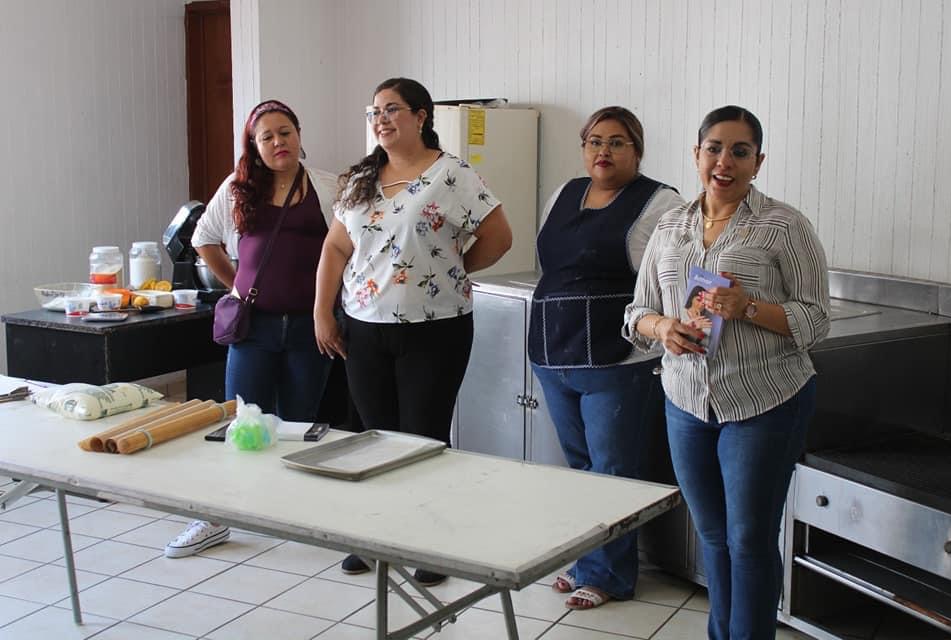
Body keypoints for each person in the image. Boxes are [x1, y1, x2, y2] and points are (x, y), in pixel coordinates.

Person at [624, 105, 830, 639]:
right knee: (712, 536)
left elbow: (817, 319)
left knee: (749, 538)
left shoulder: (785, 226)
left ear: (757, 162)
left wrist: (749, 308)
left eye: (740, 151)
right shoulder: (669, 227)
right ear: (696, 154)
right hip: (686, 400)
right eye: (714, 148)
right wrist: (663, 328)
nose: (725, 161)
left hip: (764, 400)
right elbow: (635, 313)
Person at [313, 77, 512, 585]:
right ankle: (377, 538)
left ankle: (430, 545)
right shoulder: (360, 180)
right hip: (363, 329)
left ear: (422, 116)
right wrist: (322, 312)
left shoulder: (452, 175)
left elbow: (498, 237)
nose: (380, 119)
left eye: (392, 109)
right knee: (374, 437)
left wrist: (455, 267)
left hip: (436, 330)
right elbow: (336, 248)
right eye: (374, 110)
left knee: (423, 438)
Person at [165, 99, 338, 559]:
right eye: (267, 137)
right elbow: (204, 239)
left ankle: (287, 512)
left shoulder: (327, 186)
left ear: (299, 135)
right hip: (254, 328)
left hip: (310, 329)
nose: (278, 143)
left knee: (299, 426)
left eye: (285, 132)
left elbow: (347, 250)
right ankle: (218, 517)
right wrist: (237, 286)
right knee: (243, 423)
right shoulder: (239, 188)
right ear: (254, 145)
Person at [527, 106, 684, 610]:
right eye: (594, 141)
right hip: (554, 350)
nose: (604, 151)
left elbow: (669, 281)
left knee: (613, 470)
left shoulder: (660, 202)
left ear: (637, 150)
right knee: (579, 467)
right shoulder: (563, 194)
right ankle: (584, 558)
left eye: (617, 142)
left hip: (619, 359)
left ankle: (610, 574)